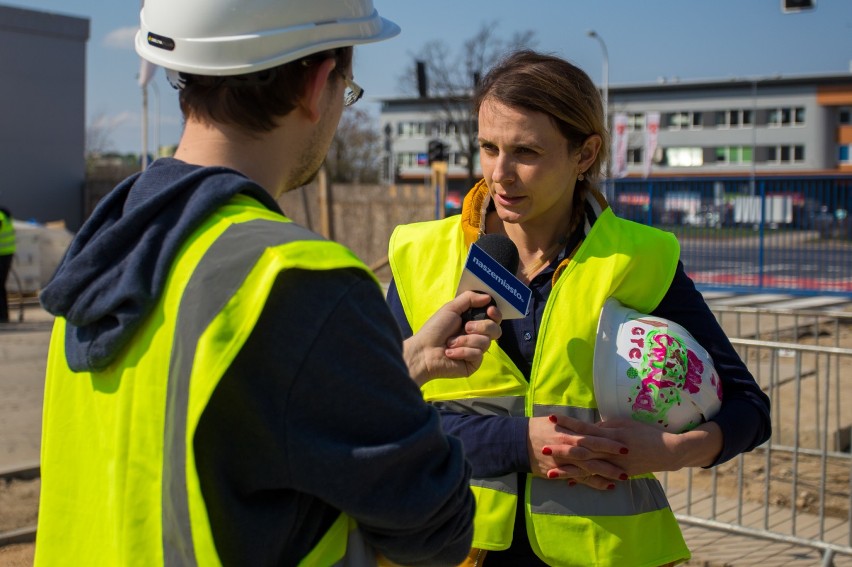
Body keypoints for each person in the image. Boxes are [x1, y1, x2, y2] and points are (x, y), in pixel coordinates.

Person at [34, 2, 503, 566]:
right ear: (318, 81)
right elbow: (435, 527)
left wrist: (394, 366)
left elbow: (226, 420)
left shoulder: (107, 253)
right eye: (346, 91)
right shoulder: (299, 281)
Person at [387, 50, 771, 566]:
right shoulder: (418, 254)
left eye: (526, 151)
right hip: (449, 544)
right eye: (487, 147)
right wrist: (515, 442)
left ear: (584, 154)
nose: (501, 174)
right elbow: (382, 416)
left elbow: (748, 407)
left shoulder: (639, 258)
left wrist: (673, 450)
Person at [0, 206, 14, 323]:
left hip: (2, 254)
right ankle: (3, 315)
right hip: (6, 254)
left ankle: (2, 316)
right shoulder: (5, 214)